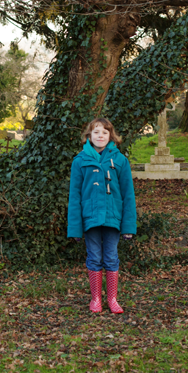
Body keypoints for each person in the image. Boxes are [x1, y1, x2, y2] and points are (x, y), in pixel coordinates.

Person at [67, 117, 137, 313]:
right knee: (94, 257)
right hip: (90, 220)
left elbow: (128, 195)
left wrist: (128, 226)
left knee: (111, 258)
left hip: (113, 219)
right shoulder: (80, 161)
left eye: (104, 132)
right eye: (96, 132)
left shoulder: (120, 161)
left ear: (111, 136)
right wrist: (75, 228)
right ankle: (96, 299)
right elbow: (75, 196)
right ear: (89, 135)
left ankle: (112, 299)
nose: (100, 136)